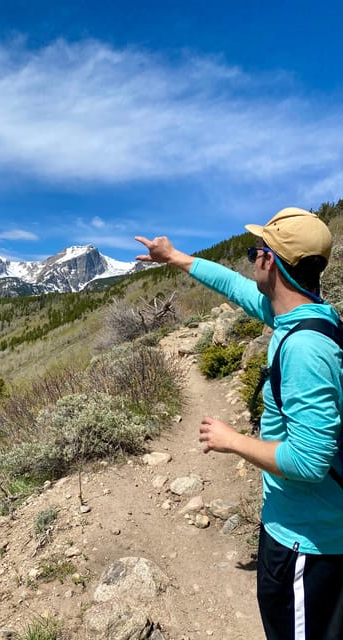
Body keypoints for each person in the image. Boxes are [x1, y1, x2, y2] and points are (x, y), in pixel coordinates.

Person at [135, 207, 343, 640]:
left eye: (256, 250)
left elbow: (309, 461)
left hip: (307, 542)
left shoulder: (304, 348)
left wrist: (233, 441)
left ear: (269, 260)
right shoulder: (310, 317)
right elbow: (233, 286)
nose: (252, 261)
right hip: (305, 530)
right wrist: (175, 257)